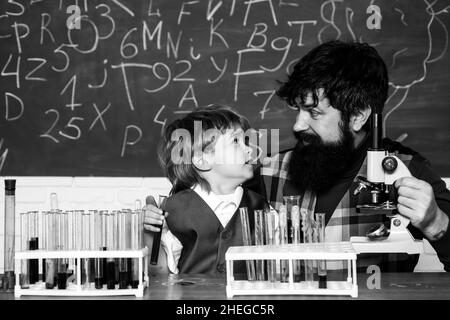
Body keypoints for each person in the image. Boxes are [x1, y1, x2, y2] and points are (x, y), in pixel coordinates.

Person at [245, 40, 450, 272]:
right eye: (299, 110)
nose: (299, 124)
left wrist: (436, 223)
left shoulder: (408, 171)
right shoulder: (270, 171)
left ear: (358, 116)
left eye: (314, 112)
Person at [144, 106, 268, 274]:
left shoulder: (263, 208)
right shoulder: (172, 211)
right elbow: (160, 272)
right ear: (202, 160)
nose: (248, 149)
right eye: (236, 141)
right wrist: (152, 232)